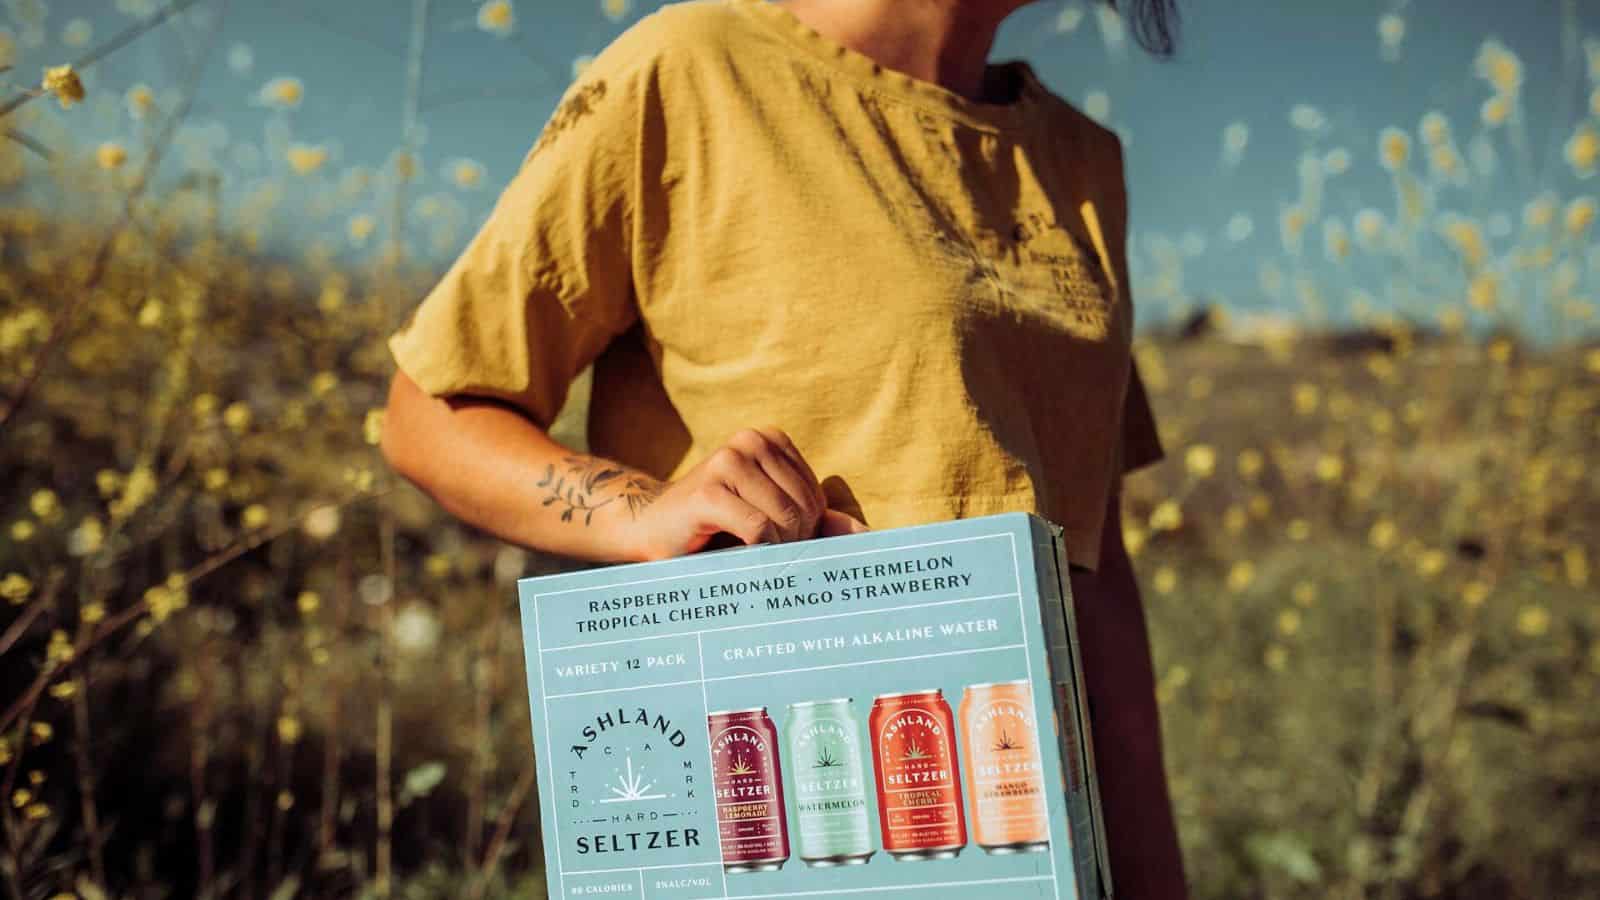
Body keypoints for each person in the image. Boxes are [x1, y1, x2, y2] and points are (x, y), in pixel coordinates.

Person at [380, 0, 1187, 895]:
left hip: (1022, 829)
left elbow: (1093, 568)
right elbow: (429, 414)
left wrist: (1152, 871)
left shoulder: (1081, 161)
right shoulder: (692, 67)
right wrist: (641, 512)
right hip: (779, 809)